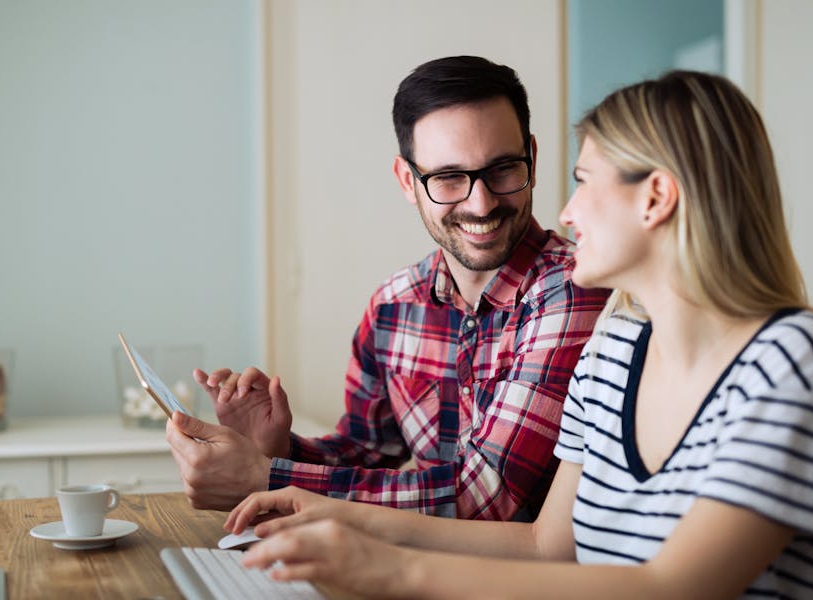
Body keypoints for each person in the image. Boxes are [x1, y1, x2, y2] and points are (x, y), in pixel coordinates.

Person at [221, 70, 813, 598]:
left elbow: (672, 588)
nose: (566, 211)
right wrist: (318, 504)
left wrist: (390, 567)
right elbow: (546, 547)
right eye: (451, 177)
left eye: (585, 182)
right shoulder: (615, 353)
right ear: (410, 181)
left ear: (656, 199)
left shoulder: (790, 363)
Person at [165, 56, 609, 520]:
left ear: (532, 160)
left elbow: (484, 498)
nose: (481, 203)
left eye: (502, 169)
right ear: (406, 181)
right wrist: (275, 448)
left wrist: (266, 478)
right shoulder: (393, 305)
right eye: (449, 178)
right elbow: (365, 452)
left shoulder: (573, 290)